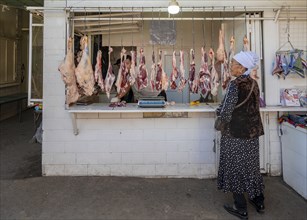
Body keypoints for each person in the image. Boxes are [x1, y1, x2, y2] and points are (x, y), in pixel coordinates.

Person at [216, 51, 265, 220]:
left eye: (233, 64)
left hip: (236, 134)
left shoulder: (235, 85)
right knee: (251, 168)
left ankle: (241, 207)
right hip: (252, 133)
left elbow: (226, 112)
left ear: (242, 67)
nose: (230, 66)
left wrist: (220, 115)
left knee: (235, 168)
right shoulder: (254, 83)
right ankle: (258, 201)